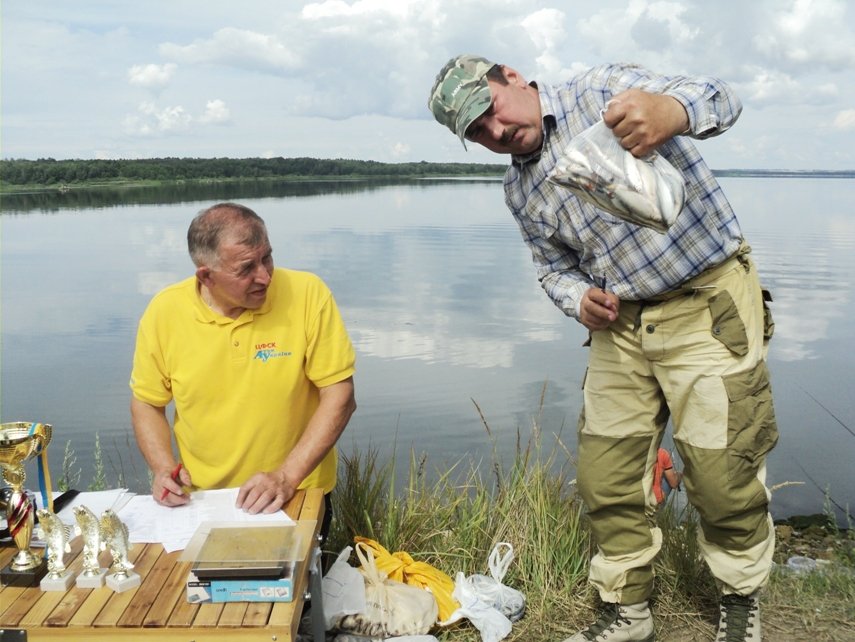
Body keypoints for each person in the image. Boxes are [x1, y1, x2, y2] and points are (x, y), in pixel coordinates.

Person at [429, 56, 777, 642]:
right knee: (606, 478)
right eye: (477, 133)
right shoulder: (519, 189)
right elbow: (552, 269)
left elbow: (722, 95)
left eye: (490, 111)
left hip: (707, 302)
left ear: (512, 78)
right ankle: (627, 612)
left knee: (722, 469)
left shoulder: (601, 89)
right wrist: (577, 298)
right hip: (620, 326)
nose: (495, 132)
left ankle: (740, 600)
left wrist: (672, 111)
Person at [129, 202, 357, 538]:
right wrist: (164, 468)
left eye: (267, 257)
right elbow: (147, 403)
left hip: (297, 495)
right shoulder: (165, 312)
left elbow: (340, 396)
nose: (264, 276)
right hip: (204, 503)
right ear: (206, 276)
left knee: (296, 590)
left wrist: (286, 476)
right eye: (246, 268)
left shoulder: (308, 294)